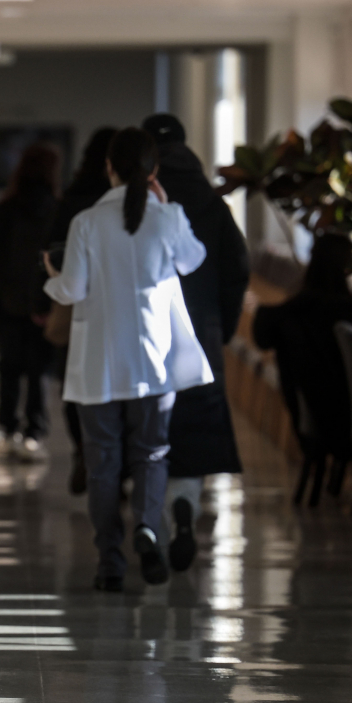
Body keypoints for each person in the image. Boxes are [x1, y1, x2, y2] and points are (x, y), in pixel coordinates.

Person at [43, 128, 212, 591]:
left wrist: (50, 278)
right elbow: (194, 260)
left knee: (103, 465)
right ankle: (147, 528)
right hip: (155, 362)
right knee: (152, 454)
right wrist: (165, 205)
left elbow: (73, 291)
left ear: (108, 168)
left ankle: (110, 564)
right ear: (153, 171)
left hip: (99, 364)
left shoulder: (86, 223)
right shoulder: (167, 217)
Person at [141, 114, 250, 572]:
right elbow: (237, 268)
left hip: (146, 326)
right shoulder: (210, 200)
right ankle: (186, 501)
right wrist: (221, 326)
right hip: (201, 328)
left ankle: (155, 527)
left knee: (150, 430)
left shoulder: (142, 198)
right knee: (197, 421)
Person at [0, 143, 61, 460]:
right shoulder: (58, 211)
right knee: (39, 371)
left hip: (6, 303)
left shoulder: (3, 210)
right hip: (45, 304)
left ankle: (7, 430)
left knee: (8, 367)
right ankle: (34, 433)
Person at [43, 127, 117, 490]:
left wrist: (46, 293)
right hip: (120, 312)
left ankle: (85, 452)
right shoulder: (134, 203)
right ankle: (113, 463)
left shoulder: (74, 201)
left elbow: (53, 252)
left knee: (74, 385)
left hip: (78, 309)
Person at [253, 234, 352, 506]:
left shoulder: (289, 312)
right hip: (344, 416)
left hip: (311, 415)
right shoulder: (344, 311)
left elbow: (261, 335)